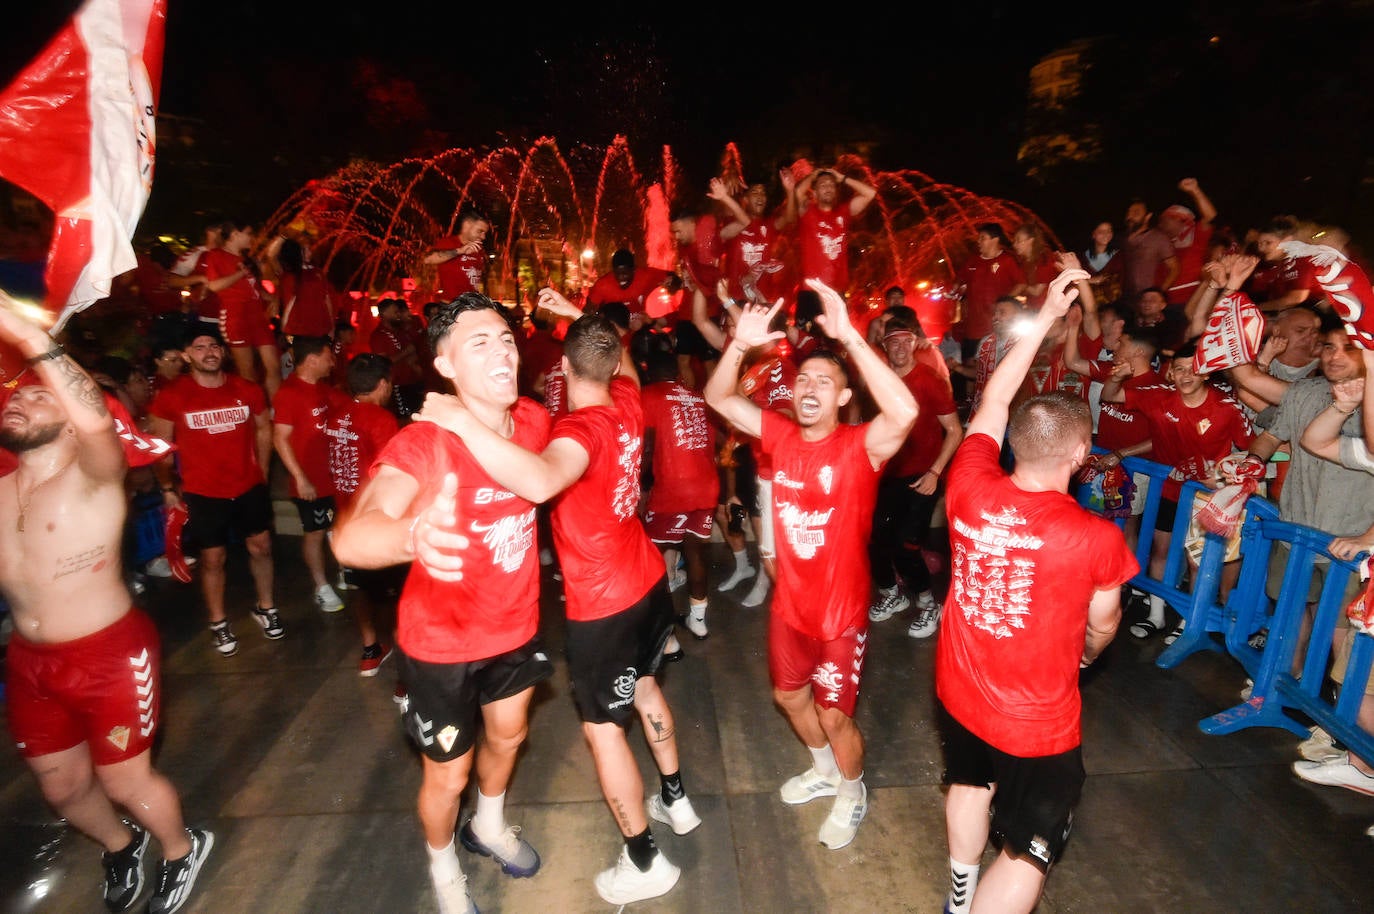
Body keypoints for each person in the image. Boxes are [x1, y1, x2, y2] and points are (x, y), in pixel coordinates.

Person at [414, 288, 701, 905]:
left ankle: (645, 859)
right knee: (648, 687)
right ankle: (677, 801)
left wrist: (459, 419)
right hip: (649, 580)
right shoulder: (627, 398)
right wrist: (579, 319)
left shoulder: (577, 429)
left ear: (565, 371)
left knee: (603, 731)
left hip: (605, 606)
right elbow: (617, 357)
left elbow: (541, 478)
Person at [331, 293, 554, 914]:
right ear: (446, 365)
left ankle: (487, 826)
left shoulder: (532, 419)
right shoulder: (424, 444)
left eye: (506, 337)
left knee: (509, 739)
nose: (503, 351)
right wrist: (411, 535)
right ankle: (443, 865)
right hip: (441, 645)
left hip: (514, 627)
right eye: (479, 342)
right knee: (446, 775)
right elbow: (354, 534)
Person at [936, 268, 1138, 914]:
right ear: (1080, 454)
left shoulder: (968, 480)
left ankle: (958, 895)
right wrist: (1086, 654)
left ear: (1014, 443)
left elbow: (994, 401)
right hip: (1037, 725)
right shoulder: (1095, 537)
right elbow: (1103, 627)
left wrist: (1044, 317)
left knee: (969, 784)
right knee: (1028, 849)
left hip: (959, 690)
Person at [0, 307, 213, 914]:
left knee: (125, 778)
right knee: (61, 786)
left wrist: (32, 342)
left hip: (109, 656)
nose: (19, 403)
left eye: (39, 401)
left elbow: (96, 420)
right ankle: (122, 844)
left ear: (70, 426)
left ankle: (180, 846)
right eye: (15, 400)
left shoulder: (95, 473)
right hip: (29, 662)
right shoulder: (2, 482)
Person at [703, 278, 918, 850]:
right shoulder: (777, 434)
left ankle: (853, 791)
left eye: (825, 381)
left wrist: (847, 334)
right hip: (790, 607)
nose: (810, 387)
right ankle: (824, 772)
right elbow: (719, 399)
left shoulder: (859, 447)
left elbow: (905, 411)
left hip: (840, 617)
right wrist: (738, 346)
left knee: (833, 716)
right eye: (804, 379)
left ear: (844, 398)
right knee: (788, 699)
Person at [147, 325, 283, 657]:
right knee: (213, 558)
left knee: (261, 546)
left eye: (214, 346)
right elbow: (159, 446)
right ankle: (218, 622)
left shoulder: (247, 389)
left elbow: (265, 429)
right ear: (185, 356)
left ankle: (266, 607)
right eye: (199, 347)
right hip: (203, 490)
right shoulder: (172, 396)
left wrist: (262, 471)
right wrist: (167, 485)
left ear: (222, 351)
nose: (209, 352)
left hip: (248, 484)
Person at [866, 313, 963, 639]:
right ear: (886, 347)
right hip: (889, 475)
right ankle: (891, 594)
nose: (901, 348)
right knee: (876, 540)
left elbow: (954, 430)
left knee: (908, 546)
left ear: (914, 344)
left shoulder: (928, 380)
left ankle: (927, 603)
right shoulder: (881, 382)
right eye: (893, 342)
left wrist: (936, 472)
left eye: (906, 341)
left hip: (924, 475)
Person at [324, 353, 402, 675]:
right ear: (383, 384)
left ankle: (370, 650)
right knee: (401, 598)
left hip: (348, 521)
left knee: (362, 589)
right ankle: (406, 679)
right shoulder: (381, 421)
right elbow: (393, 472)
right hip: (380, 523)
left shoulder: (336, 416)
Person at [640, 347, 720, 638]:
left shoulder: (648, 395)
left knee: (651, 556)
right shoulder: (697, 397)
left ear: (649, 371)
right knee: (694, 551)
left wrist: (638, 484)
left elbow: (646, 447)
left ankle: (663, 630)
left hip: (673, 489)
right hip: (706, 485)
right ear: (676, 371)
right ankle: (698, 621)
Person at [272, 335, 348, 613]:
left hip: (332, 476)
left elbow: (350, 406)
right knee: (314, 532)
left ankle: (343, 570)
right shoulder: (289, 393)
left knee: (336, 525)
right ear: (313, 359)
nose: (332, 362)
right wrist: (300, 478)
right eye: (329, 356)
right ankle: (320, 586)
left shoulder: (323, 389)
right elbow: (279, 438)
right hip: (309, 481)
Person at [199, 219, 281, 400]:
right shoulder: (216, 255)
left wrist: (273, 297)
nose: (252, 238)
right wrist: (241, 273)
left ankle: (277, 411)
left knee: (273, 366)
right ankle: (253, 412)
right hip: (235, 316)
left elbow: (254, 289)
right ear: (235, 234)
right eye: (249, 233)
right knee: (247, 371)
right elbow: (214, 286)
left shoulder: (245, 259)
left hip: (257, 317)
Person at [791, 167, 878, 300]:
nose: (828, 188)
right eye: (823, 185)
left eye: (832, 184)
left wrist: (843, 178)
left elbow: (870, 193)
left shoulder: (844, 211)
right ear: (814, 194)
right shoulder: (807, 211)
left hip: (837, 290)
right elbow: (797, 192)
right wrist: (813, 175)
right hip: (811, 289)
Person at [369, 297, 427, 421]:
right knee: (405, 419)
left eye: (399, 312)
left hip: (414, 381)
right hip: (398, 385)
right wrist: (406, 352)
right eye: (395, 312)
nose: (399, 315)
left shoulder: (401, 330)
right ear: (384, 314)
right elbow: (383, 363)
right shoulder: (378, 335)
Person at [1114, 198, 1179, 303]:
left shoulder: (1159, 238)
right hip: (1123, 298)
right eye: (1129, 212)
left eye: (1136, 213)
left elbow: (1174, 268)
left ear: (1147, 217)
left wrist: (1159, 293)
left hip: (1146, 299)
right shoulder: (1120, 239)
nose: (1130, 217)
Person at [585, 248, 678, 318]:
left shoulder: (645, 276)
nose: (621, 277)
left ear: (633, 270)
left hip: (640, 331)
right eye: (617, 273)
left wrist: (672, 286)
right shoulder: (603, 285)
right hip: (615, 333)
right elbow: (587, 311)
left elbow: (673, 277)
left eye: (625, 273)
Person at [424, 208, 492, 299]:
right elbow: (428, 259)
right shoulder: (448, 243)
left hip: (470, 304)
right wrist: (460, 251)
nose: (483, 237)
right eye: (480, 231)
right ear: (466, 225)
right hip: (452, 305)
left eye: (485, 233)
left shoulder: (479, 249)